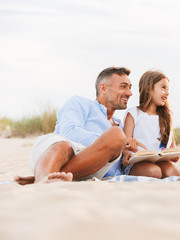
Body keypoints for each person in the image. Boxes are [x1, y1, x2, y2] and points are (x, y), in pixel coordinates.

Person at [15, 66, 144, 184]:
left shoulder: (121, 126)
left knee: (117, 136)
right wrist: (112, 142)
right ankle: (45, 177)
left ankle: (45, 178)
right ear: (103, 88)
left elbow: (119, 166)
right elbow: (69, 133)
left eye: (130, 87)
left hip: (93, 169)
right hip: (58, 155)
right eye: (123, 87)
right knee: (64, 145)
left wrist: (126, 153)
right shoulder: (80, 103)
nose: (129, 93)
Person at [121, 70, 180, 178]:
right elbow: (126, 142)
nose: (167, 92)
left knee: (173, 173)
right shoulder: (134, 113)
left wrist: (174, 156)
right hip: (137, 164)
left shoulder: (166, 116)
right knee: (154, 172)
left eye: (168, 89)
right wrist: (126, 153)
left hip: (159, 161)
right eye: (163, 87)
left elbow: (172, 146)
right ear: (148, 89)